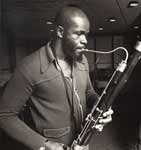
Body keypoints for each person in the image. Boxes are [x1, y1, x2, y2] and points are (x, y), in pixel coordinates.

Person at [0, 5, 113, 150]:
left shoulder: (82, 60)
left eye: (86, 34)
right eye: (79, 33)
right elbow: (5, 115)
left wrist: (101, 104)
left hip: (83, 144)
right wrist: (44, 145)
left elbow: (88, 92)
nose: (85, 40)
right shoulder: (29, 67)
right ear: (60, 31)